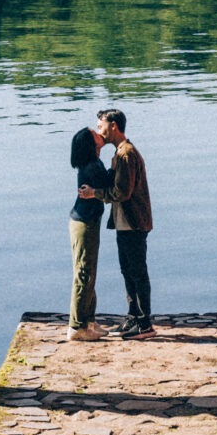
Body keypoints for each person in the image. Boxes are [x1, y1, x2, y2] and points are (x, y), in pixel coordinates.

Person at [96, 108, 153, 337]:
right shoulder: (119, 153)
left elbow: (122, 192)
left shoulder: (126, 153)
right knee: (127, 270)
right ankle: (133, 317)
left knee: (137, 271)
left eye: (101, 126)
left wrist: (94, 194)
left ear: (113, 126)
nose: (100, 131)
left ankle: (145, 322)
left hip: (134, 223)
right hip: (124, 223)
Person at [69, 126, 112, 340]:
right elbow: (111, 188)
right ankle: (77, 327)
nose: (99, 133)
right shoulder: (92, 166)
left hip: (88, 220)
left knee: (89, 271)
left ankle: (89, 322)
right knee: (84, 273)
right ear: (91, 143)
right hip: (84, 222)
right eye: (95, 133)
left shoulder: (93, 163)